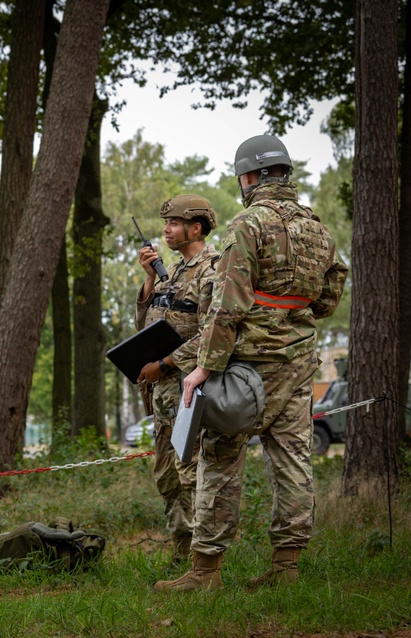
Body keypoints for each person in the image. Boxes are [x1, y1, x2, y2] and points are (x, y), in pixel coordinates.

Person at [156, 135, 348, 592]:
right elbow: (329, 296)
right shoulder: (318, 228)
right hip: (299, 360)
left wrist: (204, 365)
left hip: (248, 366)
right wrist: (291, 312)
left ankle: (205, 572)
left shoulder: (248, 224)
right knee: (293, 457)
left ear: (249, 177)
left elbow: (228, 303)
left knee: (221, 457)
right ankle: (286, 567)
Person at [134, 195, 220, 564]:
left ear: (195, 227)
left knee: (193, 475)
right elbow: (147, 325)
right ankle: (181, 551)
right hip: (163, 396)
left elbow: (216, 332)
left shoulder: (212, 269)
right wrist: (150, 278)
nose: (165, 229)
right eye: (164, 223)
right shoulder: (176, 271)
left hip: (192, 390)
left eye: (173, 223)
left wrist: (166, 363)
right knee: (167, 477)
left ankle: (206, 557)